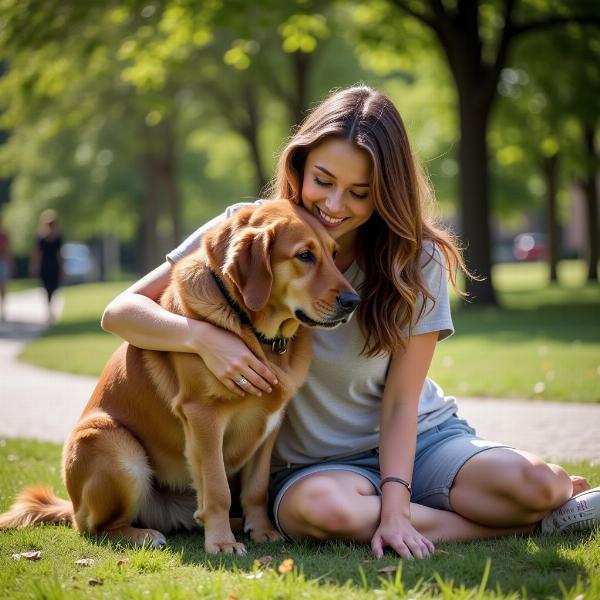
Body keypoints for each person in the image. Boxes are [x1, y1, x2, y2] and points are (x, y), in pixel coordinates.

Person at [101, 85, 599, 559]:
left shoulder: (414, 257)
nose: (335, 206)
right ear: (299, 165)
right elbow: (120, 311)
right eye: (323, 180)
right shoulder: (248, 227)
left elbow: (403, 402)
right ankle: (531, 523)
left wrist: (398, 506)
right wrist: (203, 338)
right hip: (317, 471)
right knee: (326, 512)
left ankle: (498, 505)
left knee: (539, 484)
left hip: (420, 440)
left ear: (386, 191)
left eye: (359, 192)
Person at [30, 209, 63, 322]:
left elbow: (60, 254)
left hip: (54, 266)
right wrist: (34, 267)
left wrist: (63, 268)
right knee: (46, 288)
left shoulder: (58, 238)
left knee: (54, 288)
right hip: (45, 266)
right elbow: (37, 254)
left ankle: (51, 308)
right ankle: (49, 309)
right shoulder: (41, 238)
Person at [0, 213, 13, 321]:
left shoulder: (4, 234)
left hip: (2, 262)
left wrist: (10, 263)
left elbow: (8, 251)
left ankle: (3, 309)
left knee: (3, 287)